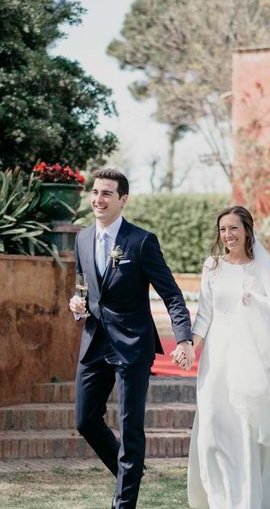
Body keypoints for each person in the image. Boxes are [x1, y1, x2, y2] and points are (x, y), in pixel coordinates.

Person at [68, 168, 195, 509]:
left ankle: (123, 502)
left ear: (122, 200)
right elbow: (84, 287)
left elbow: (171, 294)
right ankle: (131, 473)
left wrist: (183, 339)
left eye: (107, 193)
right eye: (96, 192)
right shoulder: (81, 239)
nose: (99, 199)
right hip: (94, 343)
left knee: (130, 428)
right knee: (85, 421)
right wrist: (78, 305)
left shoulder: (141, 241)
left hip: (132, 347)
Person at [180, 205, 270, 509]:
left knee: (246, 427)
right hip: (216, 357)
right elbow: (204, 315)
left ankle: (247, 498)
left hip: (252, 358)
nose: (227, 235)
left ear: (246, 230)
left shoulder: (263, 268)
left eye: (233, 228)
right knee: (213, 423)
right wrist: (190, 346)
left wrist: (255, 302)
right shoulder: (212, 266)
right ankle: (218, 497)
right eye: (222, 229)